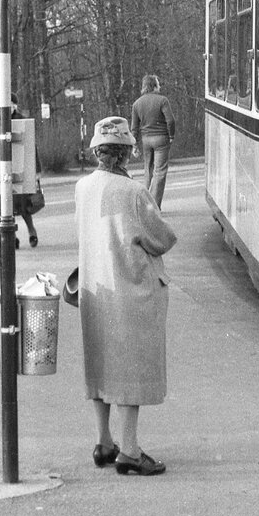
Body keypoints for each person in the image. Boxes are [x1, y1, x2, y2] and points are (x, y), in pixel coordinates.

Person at [76, 115, 177, 477]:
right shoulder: (134, 192)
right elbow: (161, 237)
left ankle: (104, 442)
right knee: (132, 365)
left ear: (97, 153)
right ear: (127, 153)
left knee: (101, 362)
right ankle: (130, 450)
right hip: (129, 289)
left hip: (94, 289)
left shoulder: (82, 188)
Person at [0, 94, 41, 249]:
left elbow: (32, 147)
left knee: (24, 206)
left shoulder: (22, 121)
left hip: (20, 168)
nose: (10, 106)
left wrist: (36, 170)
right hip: (1, 171)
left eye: (13, 103)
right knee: (5, 209)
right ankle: (10, 238)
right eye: (7, 103)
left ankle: (32, 231)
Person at [130, 75, 176, 209]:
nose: (160, 86)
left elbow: (134, 127)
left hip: (146, 140)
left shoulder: (137, 104)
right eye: (158, 84)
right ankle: (154, 207)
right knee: (160, 172)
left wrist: (134, 145)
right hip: (161, 138)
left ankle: (143, 204)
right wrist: (171, 135)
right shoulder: (162, 100)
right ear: (153, 86)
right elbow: (171, 120)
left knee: (148, 171)